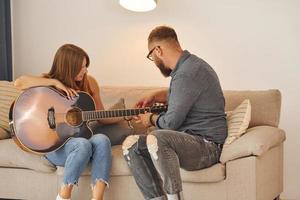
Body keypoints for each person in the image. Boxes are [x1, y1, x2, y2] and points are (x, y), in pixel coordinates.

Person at [122, 26, 227, 200]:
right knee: (130, 145)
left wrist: (150, 118)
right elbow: (183, 95)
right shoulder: (187, 68)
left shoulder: (188, 72)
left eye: (151, 56)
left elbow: (171, 123)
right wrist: (157, 95)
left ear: (158, 50)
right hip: (190, 141)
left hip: (207, 146)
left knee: (158, 137)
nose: (154, 61)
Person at [14, 44, 121, 200]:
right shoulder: (48, 82)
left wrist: (126, 116)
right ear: (68, 67)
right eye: (81, 67)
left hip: (80, 142)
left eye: (86, 66)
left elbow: (101, 116)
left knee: (102, 139)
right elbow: (19, 83)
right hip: (56, 148)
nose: (85, 71)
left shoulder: (89, 82)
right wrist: (55, 83)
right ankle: (64, 196)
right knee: (82, 144)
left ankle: (97, 198)